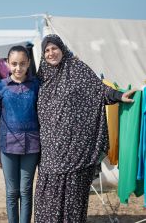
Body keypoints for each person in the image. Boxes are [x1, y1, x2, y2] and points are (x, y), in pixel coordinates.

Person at [34, 34, 136, 223]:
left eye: (54, 48)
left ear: (62, 49)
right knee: (48, 199)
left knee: (74, 199)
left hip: (76, 151)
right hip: (50, 152)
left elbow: (99, 90)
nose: (50, 53)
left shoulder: (77, 69)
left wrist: (118, 95)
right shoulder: (41, 77)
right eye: (46, 50)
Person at [0, 45, 40, 223]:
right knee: (12, 192)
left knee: (26, 190)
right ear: (7, 63)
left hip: (32, 145)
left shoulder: (36, 85)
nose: (18, 68)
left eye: (22, 64)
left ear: (28, 64)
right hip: (7, 146)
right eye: (14, 64)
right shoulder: (0, 86)